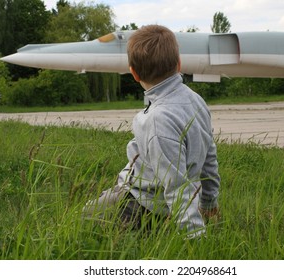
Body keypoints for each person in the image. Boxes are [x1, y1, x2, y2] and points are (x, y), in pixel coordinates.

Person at [83, 24, 220, 238]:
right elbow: (209, 157)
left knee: (82, 219)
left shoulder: (156, 121)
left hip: (143, 204)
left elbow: (176, 186)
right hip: (158, 197)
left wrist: (195, 238)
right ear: (179, 64)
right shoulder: (197, 101)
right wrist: (209, 202)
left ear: (134, 73)